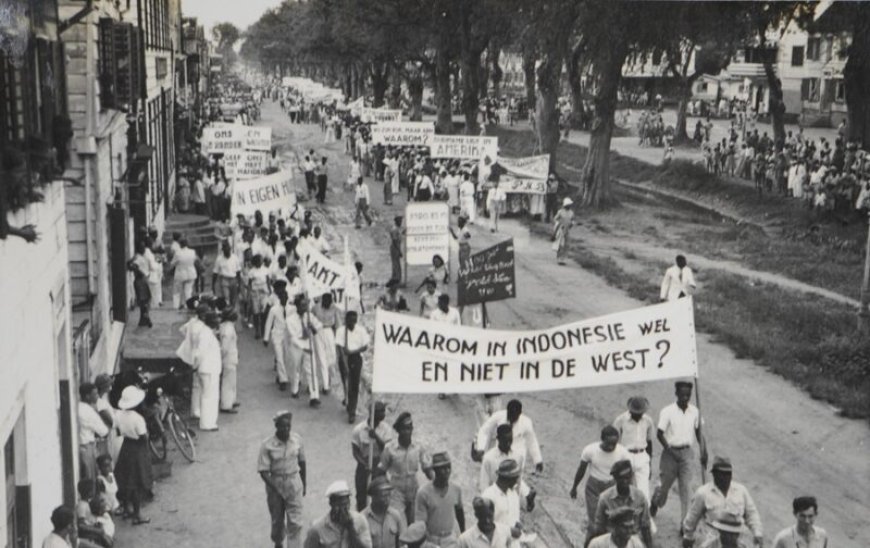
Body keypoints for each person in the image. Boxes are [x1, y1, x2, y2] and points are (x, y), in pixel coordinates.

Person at [650, 381, 707, 525]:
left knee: (686, 489)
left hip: (687, 454)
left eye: (688, 395)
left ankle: (684, 525)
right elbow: (659, 434)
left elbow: (699, 432)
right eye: (682, 394)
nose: (685, 397)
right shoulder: (667, 411)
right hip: (670, 453)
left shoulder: (695, 411)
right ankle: (655, 502)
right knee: (664, 487)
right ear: (676, 394)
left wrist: (704, 450)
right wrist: (670, 450)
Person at [682, 457, 762, 548]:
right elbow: (692, 517)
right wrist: (688, 536)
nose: (726, 477)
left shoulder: (741, 491)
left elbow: (751, 513)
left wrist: (757, 532)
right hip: (710, 536)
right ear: (714, 474)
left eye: (728, 473)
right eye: (722, 473)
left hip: (735, 536)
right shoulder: (703, 493)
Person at [259, 410, 307, 548]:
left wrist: (304, 483)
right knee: (277, 520)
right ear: (276, 427)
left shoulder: (297, 439)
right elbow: (263, 471)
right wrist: (275, 488)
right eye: (282, 427)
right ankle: (278, 542)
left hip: (293, 481)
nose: (286, 430)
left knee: (296, 522)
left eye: (288, 426)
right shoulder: (267, 445)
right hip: (275, 483)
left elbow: (302, 462)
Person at [570, 425, 632, 528]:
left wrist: (628, 491)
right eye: (609, 444)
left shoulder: (622, 452)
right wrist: (574, 487)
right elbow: (581, 470)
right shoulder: (590, 450)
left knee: (612, 517)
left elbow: (628, 473)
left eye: (614, 444)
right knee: (595, 519)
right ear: (602, 439)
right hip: (594, 487)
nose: (611, 447)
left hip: (612, 487)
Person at [378, 412, 434, 525]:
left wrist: (434, 477)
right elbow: (381, 471)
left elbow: (427, 470)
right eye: (403, 429)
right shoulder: (389, 448)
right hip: (396, 491)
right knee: (399, 523)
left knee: (414, 524)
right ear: (398, 430)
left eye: (409, 428)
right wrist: (386, 488)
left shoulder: (418, 446)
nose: (407, 432)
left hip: (414, 489)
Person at [587, 461, 652, 548]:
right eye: (622, 478)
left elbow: (646, 527)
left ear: (632, 476)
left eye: (628, 478)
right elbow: (599, 527)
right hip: (612, 540)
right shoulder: (605, 498)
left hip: (633, 541)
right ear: (615, 478)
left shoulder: (640, 497)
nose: (625, 481)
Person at [113, 386, 152, 525]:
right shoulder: (138, 418)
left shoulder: (118, 414)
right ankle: (137, 514)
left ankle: (126, 509)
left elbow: (118, 431)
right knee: (136, 481)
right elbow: (143, 437)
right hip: (137, 448)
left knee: (125, 478)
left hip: (126, 446)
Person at [475, 400, 544, 473]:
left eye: (514, 416)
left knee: (515, 478)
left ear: (520, 413)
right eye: (510, 415)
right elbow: (484, 430)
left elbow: (531, 441)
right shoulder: (499, 416)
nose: (511, 418)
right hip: (500, 451)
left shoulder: (526, 422)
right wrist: (480, 448)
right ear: (507, 411)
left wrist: (538, 460)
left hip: (518, 454)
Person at [415, 452, 465, 548]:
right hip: (432, 541)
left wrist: (462, 537)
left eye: (448, 467)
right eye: (442, 468)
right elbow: (420, 524)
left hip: (451, 540)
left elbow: (460, 515)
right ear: (435, 470)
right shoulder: (423, 493)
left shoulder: (456, 489)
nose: (447, 471)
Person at [304, 480, 372, 548]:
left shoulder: (360, 520)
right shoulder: (317, 528)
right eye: (339, 505)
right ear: (331, 504)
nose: (343, 510)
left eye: (346, 505)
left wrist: (351, 529)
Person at [352, 401, 393, 511]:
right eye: (380, 412)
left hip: (379, 467)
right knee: (361, 497)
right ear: (372, 413)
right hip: (363, 467)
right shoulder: (358, 430)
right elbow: (355, 451)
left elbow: (387, 449)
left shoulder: (386, 429)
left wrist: (376, 437)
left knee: (381, 496)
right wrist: (364, 464)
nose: (383, 414)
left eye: (384, 411)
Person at [481, 459, 535, 541]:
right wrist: (508, 531)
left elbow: (513, 517)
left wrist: (517, 524)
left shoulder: (513, 494)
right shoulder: (488, 496)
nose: (517, 481)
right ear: (507, 478)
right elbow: (484, 526)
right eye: (515, 477)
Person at [613, 397, 655, 502]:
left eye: (640, 412)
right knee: (625, 488)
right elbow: (614, 441)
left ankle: (645, 516)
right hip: (625, 455)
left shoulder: (648, 420)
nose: (638, 415)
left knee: (644, 490)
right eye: (635, 412)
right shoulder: (621, 420)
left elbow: (649, 442)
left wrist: (649, 463)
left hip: (642, 455)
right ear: (630, 410)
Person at [287, 294, 324, 406]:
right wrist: (303, 348)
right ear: (297, 306)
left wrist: (312, 327)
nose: (305, 308)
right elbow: (293, 337)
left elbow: (319, 326)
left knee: (311, 371)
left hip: (308, 343)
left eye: (306, 305)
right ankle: (295, 389)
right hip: (297, 346)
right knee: (296, 369)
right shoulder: (290, 319)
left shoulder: (310, 316)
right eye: (302, 305)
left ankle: (314, 396)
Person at [337, 309, 371, 423]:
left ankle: (352, 411)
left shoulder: (361, 330)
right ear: (346, 320)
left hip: (356, 358)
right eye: (349, 321)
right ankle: (348, 401)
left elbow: (365, 346)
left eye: (354, 321)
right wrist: (345, 362)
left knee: (354, 385)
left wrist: (351, 351)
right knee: (346, 381)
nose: (351, 324)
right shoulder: (341, 331)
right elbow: (340, 349)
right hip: (344, 358)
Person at [191, 310, 222, 431]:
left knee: (208, 396)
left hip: (209, 369)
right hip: (208, 369)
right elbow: (200, 353)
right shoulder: (206, 334)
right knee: (209, 397)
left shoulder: (207, 332)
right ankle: (207, 423)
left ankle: (208, 421)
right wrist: (196, 366)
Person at [479, 424, 527, 494]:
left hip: (511, 500)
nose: (508, 444)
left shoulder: (518, 457)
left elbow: (518, 484)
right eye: (505, 441)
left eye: (510, 440)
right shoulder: (488, 458)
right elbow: (484, 486)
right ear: (498, 438)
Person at [78, 382, 109, 481]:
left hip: (82, 446)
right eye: (95, 394)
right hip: (87, 447)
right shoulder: (89, 411)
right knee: (90, 476)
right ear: (87, 396)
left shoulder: (79, 406)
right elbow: (104, 431)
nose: (97, 396)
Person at [366, 477, 408, 548]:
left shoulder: (395, 516)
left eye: (389, 496)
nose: (387, 500)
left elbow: (403, 544)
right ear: (374, 497)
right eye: (384, 496)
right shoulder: (363, 518)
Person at [312, 292, 341, 395]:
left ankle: (328, 379)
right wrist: (312, 328)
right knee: (321, 357)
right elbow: (310, 319)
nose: (328, 303)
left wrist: (339, 338)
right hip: (318, 332)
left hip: (329, 332)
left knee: (331, 357)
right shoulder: (316, 308)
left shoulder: (334, 308)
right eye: (326, 301)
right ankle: (325, 386)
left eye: (330, 301)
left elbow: (338, 324)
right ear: (322, 300)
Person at [264, 290, 292, 391]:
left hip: (288, 335)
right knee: (279, 357)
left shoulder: (292, 309)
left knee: (288, 357)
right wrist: (266, 338)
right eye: (283, 298)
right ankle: (283, 380)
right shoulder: (274, 309)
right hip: (277, 335)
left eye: (286, 298)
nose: (284, 299)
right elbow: (268, 323)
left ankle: (284, 375)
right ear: (280, 299)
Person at [219, 308, 240, 413]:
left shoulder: (227, 326)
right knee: (228, 381)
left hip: (231, 357)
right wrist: (223, 356)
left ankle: (231, 400)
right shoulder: (228, 328)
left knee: (231, 380)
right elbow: (225, 346)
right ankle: (226, 404)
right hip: (228, 358)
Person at [171, 237, 198, 309]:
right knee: (188, 291)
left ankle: (176, 306)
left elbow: (173, 263)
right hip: (191, 273)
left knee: (177, 291)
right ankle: (187, 305)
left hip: (180, 274)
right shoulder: (192, 252)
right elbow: (194, 260)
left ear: (180, 244)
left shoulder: (178, 253)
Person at [213, 240, 242, 307]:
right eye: (225, 249)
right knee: (226, 299)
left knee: (233, 299)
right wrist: (213, 285)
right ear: (223, 250)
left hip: (233, 280)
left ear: (230, 249)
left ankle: (232, 313)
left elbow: (238, 272)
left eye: (228, 249)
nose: (226, 251)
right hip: (224, 280)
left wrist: (239, 284)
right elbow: (215, 272)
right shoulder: (219, 259)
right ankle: (227, 312)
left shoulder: (235, 258)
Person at [552, 198, 575, 265]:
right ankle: (559, 258)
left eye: (570, 204)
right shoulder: (560, 211)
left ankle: (563, 258)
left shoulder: (571, 212)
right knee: (561, 244)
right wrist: (558, 224)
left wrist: (572, 224)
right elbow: (555, 219)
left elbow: (572, 220)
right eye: (568, 204)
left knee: (567, 244)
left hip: (567, 229)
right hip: (560, 229)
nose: (569, 206)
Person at [390, 216, 404, 282]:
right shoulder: (394, 229)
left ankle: (396, 278)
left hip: (396, 247)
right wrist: (399, 251)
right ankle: (396, 278)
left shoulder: (397, 228)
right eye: (400, 221)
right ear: (397, 221)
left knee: (397, 264)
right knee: (396, 264)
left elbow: (399, 235)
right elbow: (394, 241)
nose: (401, 222)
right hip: (395, 248)